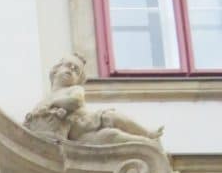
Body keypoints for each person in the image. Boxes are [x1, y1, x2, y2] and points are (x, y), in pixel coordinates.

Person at [26, 54, 163, 145]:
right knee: (111, 136)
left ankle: (148, 135)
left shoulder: (74, 90)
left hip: (87, 122)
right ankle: (144, 143)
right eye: (68, 66)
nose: (71, 70)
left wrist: (54, 104)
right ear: (56, 70)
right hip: (76, 136)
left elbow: (76, 102)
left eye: (76, 70)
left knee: (112, 116)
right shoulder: (43, 101)